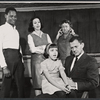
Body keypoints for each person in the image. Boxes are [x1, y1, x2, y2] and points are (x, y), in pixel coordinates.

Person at [0, 7, 25, 98]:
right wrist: (4, 66)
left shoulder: (16, 31)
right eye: (11, 16)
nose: (13, 18)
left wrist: (22, 62)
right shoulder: (1, 29)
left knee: (21, 85)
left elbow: (19, 47)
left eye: (15, 16)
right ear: (5, 16)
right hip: (8, 58)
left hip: (18, 58)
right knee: (6, 86)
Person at [27, 17, 52, 96]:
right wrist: (44, 48)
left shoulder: (46, 35)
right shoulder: (30, 36)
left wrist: (41, 48)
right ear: (32, 25)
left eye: (38, 22)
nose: (37, 24)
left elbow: (51, 48)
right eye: (35, 23)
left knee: (48, 82)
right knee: (38, 84)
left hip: (47, 60)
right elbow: (33, 50)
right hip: (36, 61)